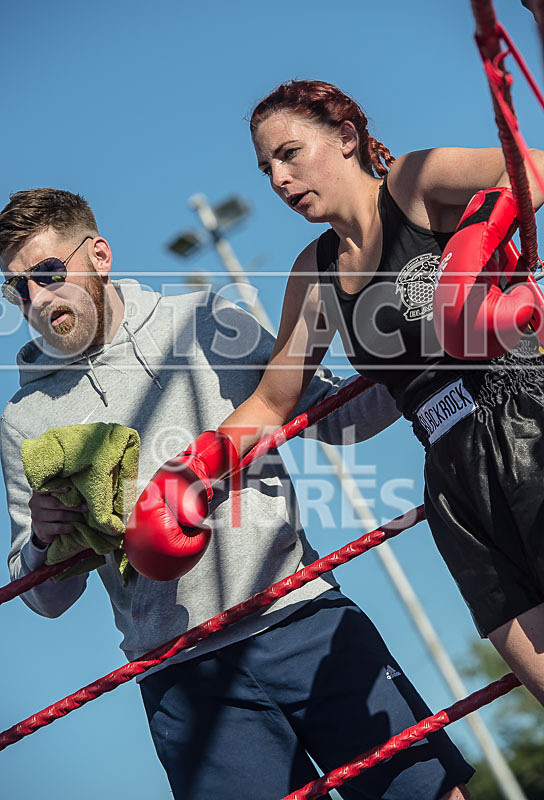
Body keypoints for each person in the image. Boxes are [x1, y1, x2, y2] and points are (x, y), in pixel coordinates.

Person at [0, 189, 473, 799]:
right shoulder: (23, 418)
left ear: (99, 255)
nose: (37, 300)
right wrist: (43, 539)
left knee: (431, 793)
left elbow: (334, 415)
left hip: (301, 616)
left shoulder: (205, 319)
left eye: (47, 272)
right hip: (180, 675)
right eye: (16, 288)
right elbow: (44, 598)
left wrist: (448, 340)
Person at [138, 79, 544, 708]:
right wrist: (190, 471)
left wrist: (470, 246)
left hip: (526, 412)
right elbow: (273, 402)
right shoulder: (315, 272)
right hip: (452, 474)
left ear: (347, 138)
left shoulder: (412, 184)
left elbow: (531, 168)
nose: (279, 179)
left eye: (290, 154)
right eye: (267, 168)